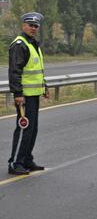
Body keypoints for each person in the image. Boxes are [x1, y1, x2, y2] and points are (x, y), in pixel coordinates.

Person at [8, 12, 49, 175]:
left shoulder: (32, 43)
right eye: (30, 25)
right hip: (24, 95)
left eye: (35, 26)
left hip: (33, 94)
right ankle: (15, 162)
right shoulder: (20, 44)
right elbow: (15, 71)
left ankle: (26, 160)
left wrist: (44, 86)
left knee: (32, 129)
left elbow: (35, 70)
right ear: (23, 25)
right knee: (24, 127)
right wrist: (18, 93)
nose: (33, 28)